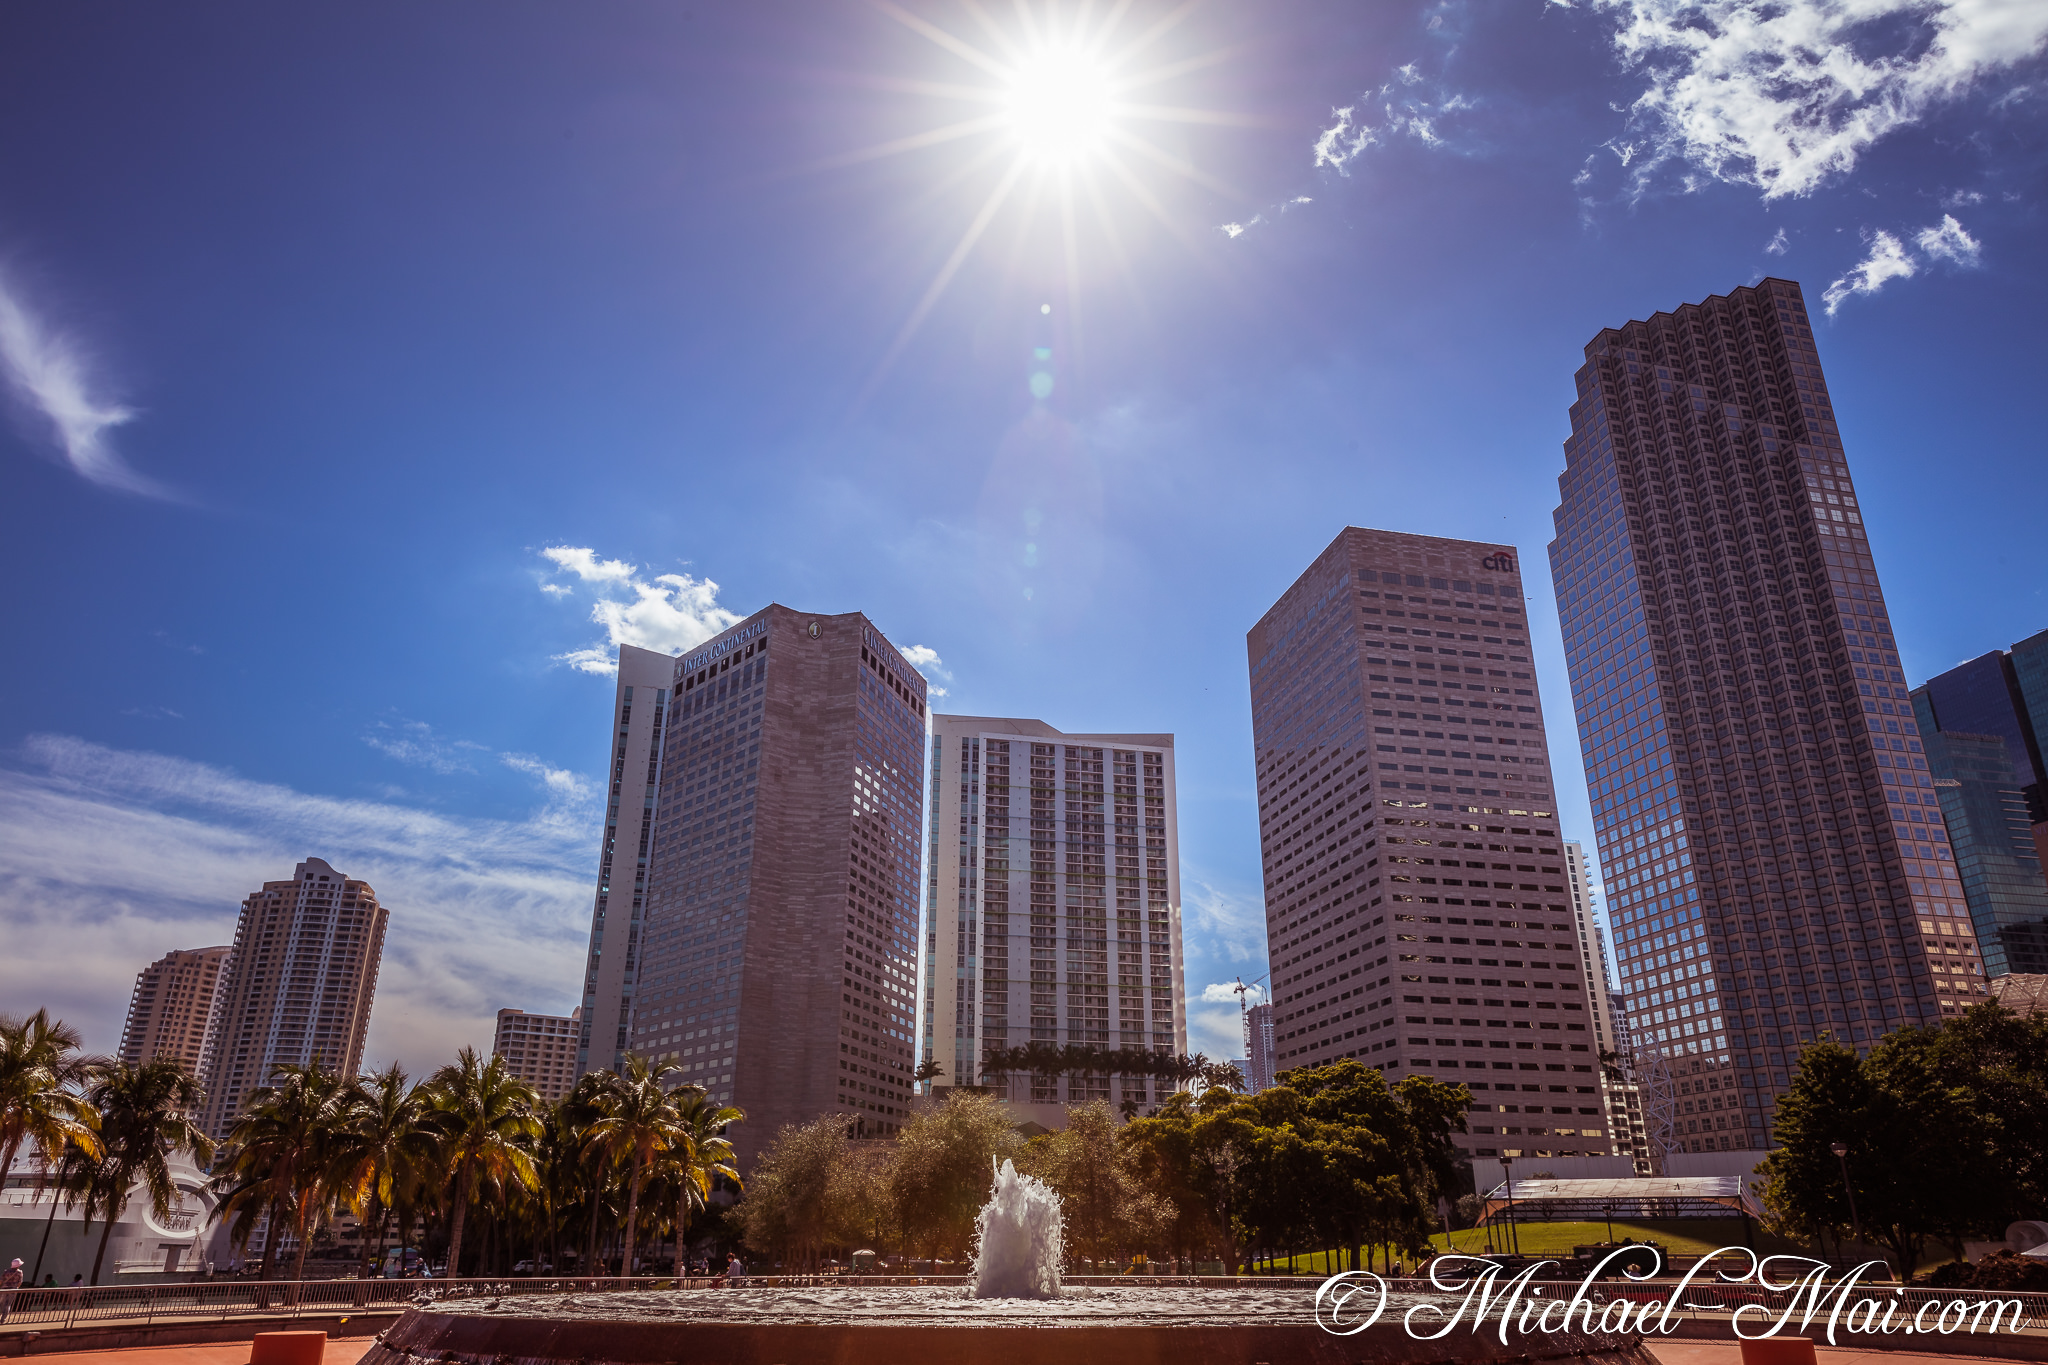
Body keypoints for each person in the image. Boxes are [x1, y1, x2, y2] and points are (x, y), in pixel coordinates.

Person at [1, 1258, 23, 1323]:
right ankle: (3, 1319)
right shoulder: (19, 1272)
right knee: (8, 1304)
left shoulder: (6, 1271)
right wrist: (16, 1288)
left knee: (1, 1303)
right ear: (18, 1265)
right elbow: (20, 1282)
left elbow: (1, 1280)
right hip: (13, 1289)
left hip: (4, 1289)